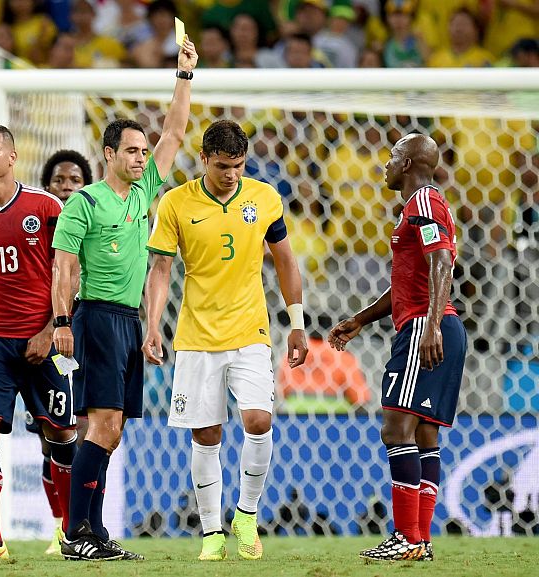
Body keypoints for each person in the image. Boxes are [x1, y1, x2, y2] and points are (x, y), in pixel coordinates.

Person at [51, 37, 198, 561]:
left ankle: (92, 532)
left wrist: (183, 75)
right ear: (108, 155)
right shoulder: (83, 204)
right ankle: (76, 535)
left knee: (109, 435)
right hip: (92, 318)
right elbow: (64, 268)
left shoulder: (143, 194)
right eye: (132, 151)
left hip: (127, 322)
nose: (141, 158)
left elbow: (176, 131)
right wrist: (62, 321)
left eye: (143, 151)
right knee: (103, 427)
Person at [143, 120, 309, 561]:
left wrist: (297, 322)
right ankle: (212, 532)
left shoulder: (264, 197)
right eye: (222, 166)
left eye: (238, 165)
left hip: (250, 330)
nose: (231, 174)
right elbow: (160, 270)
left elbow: (287, 261)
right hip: (196, 335)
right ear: (203, 159)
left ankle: (247, 514)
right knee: (207, 433)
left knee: (258, 421)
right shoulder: (176, 203)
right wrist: (153, 325)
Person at [328, 133, 467, 562]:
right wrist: (360, 319)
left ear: (407, 164)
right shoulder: (419, 207)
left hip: (428, 327)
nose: (384, 165)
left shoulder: (423, 201)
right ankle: (419, 541)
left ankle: (406, 537)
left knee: (395, 429)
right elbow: (405, 284)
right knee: (425, 435)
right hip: (441, 323)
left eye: (391, 157)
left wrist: (428, 324)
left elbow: (442, 261)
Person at [0, 126, 79, 562]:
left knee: (60, 432)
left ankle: (69, 531)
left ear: (12, 156)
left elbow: (69, 272)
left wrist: (50, 329)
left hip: (41, 338)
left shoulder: (46, 207)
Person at [31, 148, 94, 556]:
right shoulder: (40, 233)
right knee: (50, 437)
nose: (67, 187)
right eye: (60, 181)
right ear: (48, 186)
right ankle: (62, 526)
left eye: (75, 181)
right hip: (52, 339)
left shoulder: (101, 225)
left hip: (91, 334)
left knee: (85, 433)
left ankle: (84, 523)